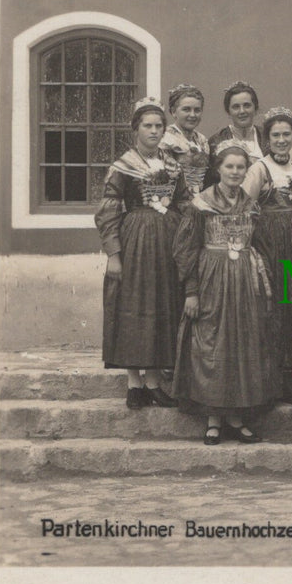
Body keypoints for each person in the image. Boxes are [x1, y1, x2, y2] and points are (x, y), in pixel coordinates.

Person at [172, 143, 278, 444]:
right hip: (211, 280)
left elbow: (264, 246)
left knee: (242, 344)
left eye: (240, 167)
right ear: (218, 169)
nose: (235, 172)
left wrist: (260, 275)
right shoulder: (201, 204)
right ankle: (213, 419)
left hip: (245, 283)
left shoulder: (252, 205)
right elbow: (185, 249)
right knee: (212, 342)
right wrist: (191, 291)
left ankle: (237, 417)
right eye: (229, 166)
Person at [94, 97, 186, 410]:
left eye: (159, 126)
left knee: (161, 303)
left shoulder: (173, 164)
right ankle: (134, 382)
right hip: (135, 241)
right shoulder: (123, 165)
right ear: (136, 129)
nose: (154, 131)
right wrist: (114, 254)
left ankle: (154, 381)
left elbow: (183, 201)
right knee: (134, 305)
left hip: (168, 241)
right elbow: (108, 210)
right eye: (148, 126)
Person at [241, 107, 292, 402]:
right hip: (269, 244)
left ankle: (291, 379)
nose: (282, 140)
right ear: (267, 139)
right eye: (276, 135)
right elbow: (244, 206)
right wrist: (252, 245)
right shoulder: (259, 169)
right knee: (272, 306)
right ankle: (268, 382)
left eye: (287, 134)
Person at [206, 81, 264, 185]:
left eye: (247, 105)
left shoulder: (267, 136)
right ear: (228, 112)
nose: (242, 111)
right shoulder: (217, 141)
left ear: (255, 109)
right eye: (236, 107)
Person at [160, 84, 210, 199]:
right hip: (173, 199)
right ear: (173, 112)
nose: (192, 115)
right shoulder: (166, 138)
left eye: (197, 110)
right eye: (186, 109)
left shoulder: (202, 140)